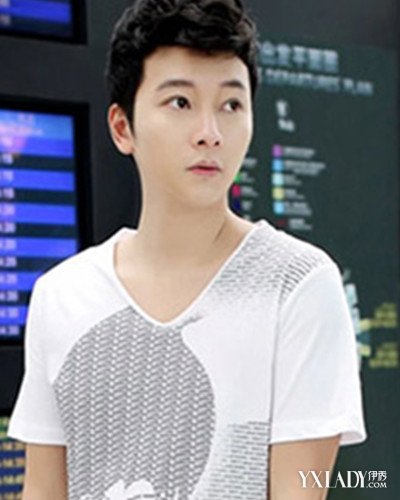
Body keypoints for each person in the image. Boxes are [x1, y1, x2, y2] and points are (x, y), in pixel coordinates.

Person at [7, 0, 367, 499]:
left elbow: (301, 489)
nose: (209, 134)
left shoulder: (297, 285)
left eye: (231, 105)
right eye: (180, 102)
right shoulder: (62, 294)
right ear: (122, 127)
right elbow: (43, 491)